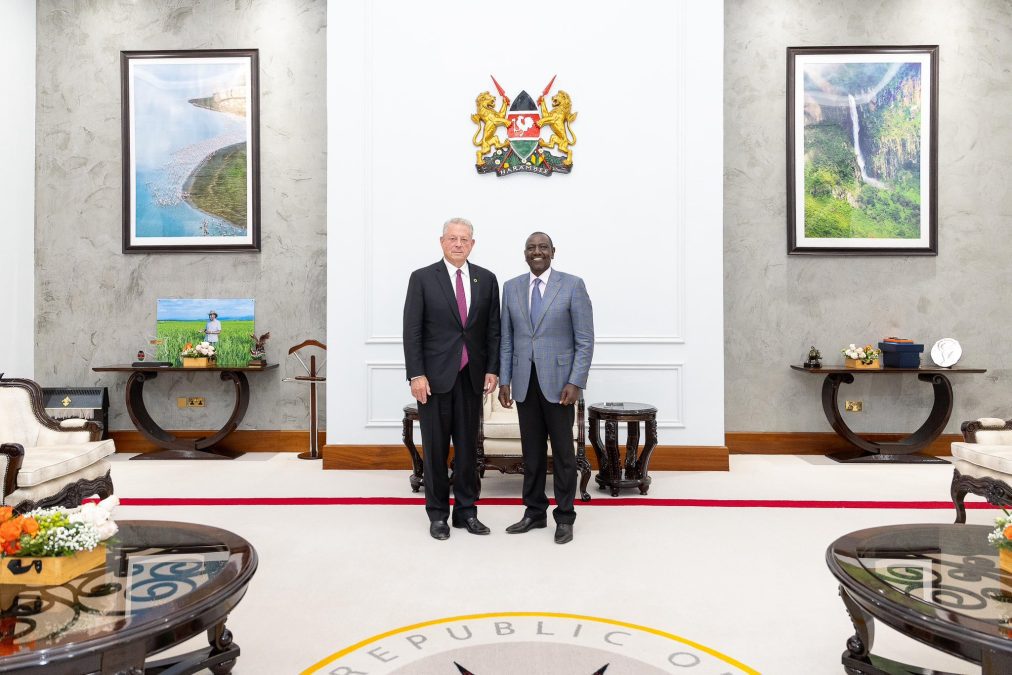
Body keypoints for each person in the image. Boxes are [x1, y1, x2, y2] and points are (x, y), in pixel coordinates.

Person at [403, 218, 501, 540]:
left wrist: (492, 368)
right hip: (433, 380)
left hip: (471, 378)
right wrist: (416, 374)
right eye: (452, 238)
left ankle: (466, 512)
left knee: (467, 449)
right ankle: (437, 516)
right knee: (434, 450)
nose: (458, 244)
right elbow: (412, 331)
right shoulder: (422, 279)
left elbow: (492, 331)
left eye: (464, 239)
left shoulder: (486, 280)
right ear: (441, 241)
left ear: (472, 244)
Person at [498, 232, 594, 544]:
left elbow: (585, 339)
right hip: (525, 383)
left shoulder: (572, 285)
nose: (536, 252)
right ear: (524, 253)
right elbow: (507, 339)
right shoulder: (511, 287)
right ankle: (534, 511)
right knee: (533, 454)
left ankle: (564, 517)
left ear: (553, 252)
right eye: (531, 247)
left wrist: (576, 381)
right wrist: (504, 381)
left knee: (564, 455)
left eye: (542, 247)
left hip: (560, 386)